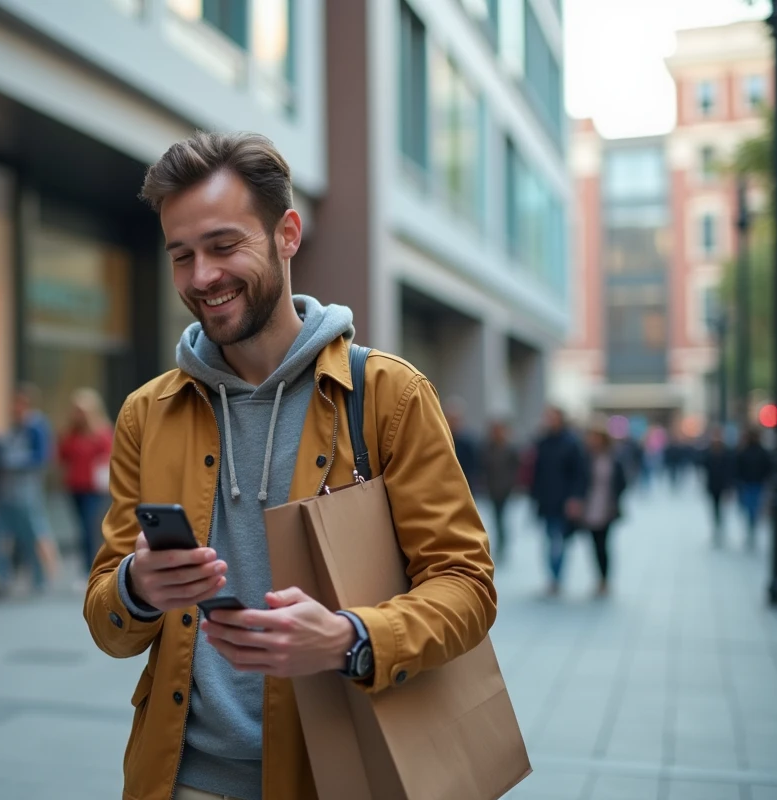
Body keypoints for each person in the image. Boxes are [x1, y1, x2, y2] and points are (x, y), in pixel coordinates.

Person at [83, 132, 496, 800]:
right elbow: (108, 621)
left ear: (288, 234)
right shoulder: (144, 414)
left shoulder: (388, 396)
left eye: (224, 245)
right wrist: (136, 586)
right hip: (178, 781)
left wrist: (349, 638)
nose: (201, 278)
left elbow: (467, 586)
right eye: (181, 255)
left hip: (336, 777)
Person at [0, 383, 58, 593]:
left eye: (18, 403)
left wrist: (14, 461)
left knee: (34, 532)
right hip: (9, 492)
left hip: (28, 490)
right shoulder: (15, 427)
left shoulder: (37, 426)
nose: (14, 408)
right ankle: (4, 578)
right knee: (5, 534)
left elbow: (41, 458)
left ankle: (43, 576)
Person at [530, 406, 586, 597]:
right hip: (546, 501)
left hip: (563, 501)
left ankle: (556, 579)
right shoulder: (542, 442)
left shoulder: (571, 443)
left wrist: (575, 498)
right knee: (549, 540)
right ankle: (553, 578)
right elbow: (536, 473)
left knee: (558, 541)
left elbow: (579, 474)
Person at [58, 388, 113, 575]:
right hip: (75, 486)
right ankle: (86, 568)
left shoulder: (101, 432)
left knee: (90, 527)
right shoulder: (71, 433)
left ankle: (93, 568)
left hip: (94, 489)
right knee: (81, 528)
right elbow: (62, 455)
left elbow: (108, 456)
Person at [579, 425, 628, 597]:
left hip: (607, 508)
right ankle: (598, 578)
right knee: (593, 545)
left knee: (604, 544)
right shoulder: (585, 458)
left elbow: (622, 482)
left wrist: (615, 499)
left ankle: (605, 579)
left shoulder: (613, 458)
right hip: (590, 507)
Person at [482, 419, 521, 565]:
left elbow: (516, 468)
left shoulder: (510, 448)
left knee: (502, 517)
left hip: (505, 489)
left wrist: (512, 485)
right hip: (492, 488)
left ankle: (503, 544)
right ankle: (499, 543)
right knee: (496, 517)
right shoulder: (488, 447)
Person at [734, 428, 773, 548]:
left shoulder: (759, 452)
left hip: (756, 484)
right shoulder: (745, 451)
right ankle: (751, 526)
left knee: (753, 507)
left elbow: (768, 468)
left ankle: (752, 527)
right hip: (748, 484)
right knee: (749, 507)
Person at [702, 428, 736, 546]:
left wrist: (730, 486)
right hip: (713, 485)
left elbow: (730, 470)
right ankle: (716, 526)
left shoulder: (727, 453)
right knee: (714, 507)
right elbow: (704, 465)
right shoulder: (709, 452)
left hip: (723, 485)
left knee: (722, 507)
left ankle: (720, 525)